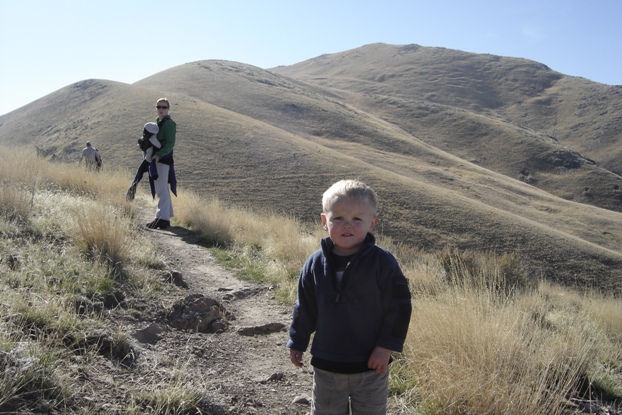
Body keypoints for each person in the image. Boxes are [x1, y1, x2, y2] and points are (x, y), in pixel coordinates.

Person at [287, 179, 412, 415]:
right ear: (324, 221)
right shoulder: (314, 264)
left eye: (357, 219)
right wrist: (298, 340)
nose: (347, 225)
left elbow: (400, 307)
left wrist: (386, 347)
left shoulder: (383, 263)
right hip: (327, 365)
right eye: (338, 218)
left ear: (372, 223)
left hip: (371, 367)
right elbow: (305, 307)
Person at [146, 98, 177, 230]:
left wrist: (158, 155)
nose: (161, 109)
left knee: (161, 189)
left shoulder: (169, 124)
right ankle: (166, 217)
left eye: (164, 107)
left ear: (168, 109)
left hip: (162, 159)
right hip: (158, 159)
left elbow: (170, 143)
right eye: (159, 107)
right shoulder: (158, 122)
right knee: (163, 188)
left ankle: (161, 219)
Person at [126, 122, 161, 201]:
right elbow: (159, 146)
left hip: (148, 161)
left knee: (138, 176)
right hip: (150, 161)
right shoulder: (152, 138)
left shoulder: (146, 138)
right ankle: (154, 198)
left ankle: (130, 196)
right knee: (151, 180)